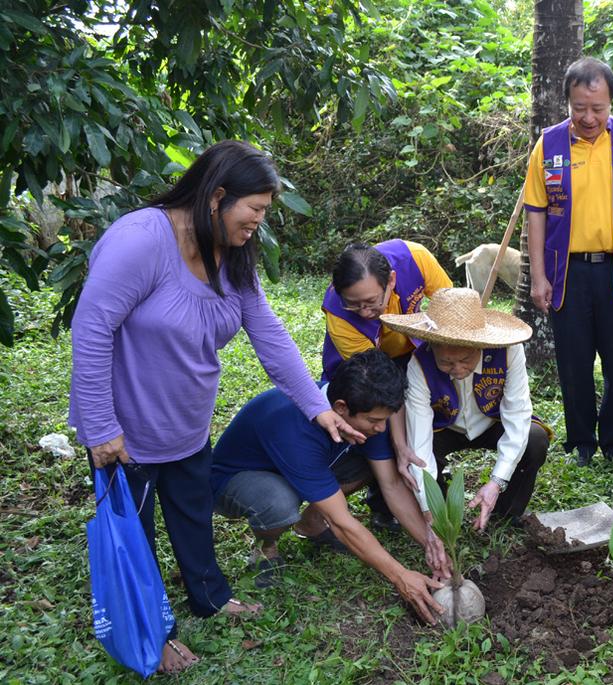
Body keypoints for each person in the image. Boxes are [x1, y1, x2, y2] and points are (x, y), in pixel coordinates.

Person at [69, 140, 359, 673]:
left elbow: (269, 335)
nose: (259, 223)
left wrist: (318, 407)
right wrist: (99, 426)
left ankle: (209, 595)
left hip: (187, 421)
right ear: (217, 196)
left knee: (192, 514)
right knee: (134, 533)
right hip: (126, 431)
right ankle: (153, 633)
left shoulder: (232, 255)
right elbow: (90, 330)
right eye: (255, 211)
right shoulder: (141, 241)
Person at [210, 350, 447, 623]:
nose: (382, 429)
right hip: (236, 480)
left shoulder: (368, 413)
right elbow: (342, 523)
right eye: (374, 421)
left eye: (385, 419)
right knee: (280, 502)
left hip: (304, 467)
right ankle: (266, 546)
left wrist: (431, 543)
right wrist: (400, 576)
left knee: (378, 464)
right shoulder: (295, 428)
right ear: (341, 408)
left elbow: (391, 485)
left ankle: (311, 523)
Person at [524, 57, 613, 478]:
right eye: (579, 108)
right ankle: (581, 441)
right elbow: (536, 212)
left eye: (597, 108)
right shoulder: (549, 145)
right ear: (567, 102)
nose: (588, 117)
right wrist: (540, 276)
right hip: (568, 274)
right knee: (574, 362)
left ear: (611, 103)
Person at [380, 288, 549, 530]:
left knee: (535, 439)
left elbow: (517, 413)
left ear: (480, 345)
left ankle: (505, 513)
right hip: (444, 426)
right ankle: (441, 509)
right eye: (446, 362)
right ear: (432, 347)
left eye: (466, 359)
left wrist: (495, 483)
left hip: (492, 422)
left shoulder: (509, 352)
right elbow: (419, 440)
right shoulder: (419, 363)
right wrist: (428, 507)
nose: (457, 369)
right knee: (412, 453)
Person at [322, 241, 453, 531]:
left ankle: (431, 484)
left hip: (411, 348)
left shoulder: (416, 259)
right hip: (364, 370)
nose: (365, 312)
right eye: (353, 304)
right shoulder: (340, 315)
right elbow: (378, 384)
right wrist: (400, 444)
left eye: (371, 302)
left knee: (430, 414)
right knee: (377, 430)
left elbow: (451, 308)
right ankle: (382, 505)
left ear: (391, 280)